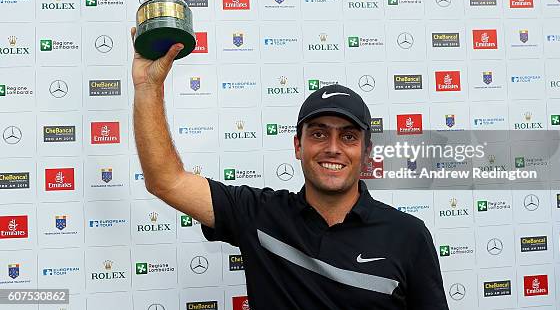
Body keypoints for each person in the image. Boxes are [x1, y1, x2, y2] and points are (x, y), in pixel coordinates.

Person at [131, 30, 449, 309]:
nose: (333, 147)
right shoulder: (259, 214)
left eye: (349, 136)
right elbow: (166, 181)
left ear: (367, 152)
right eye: (319, 133)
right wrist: (148, 87)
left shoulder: (408, 235)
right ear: (298, 146)